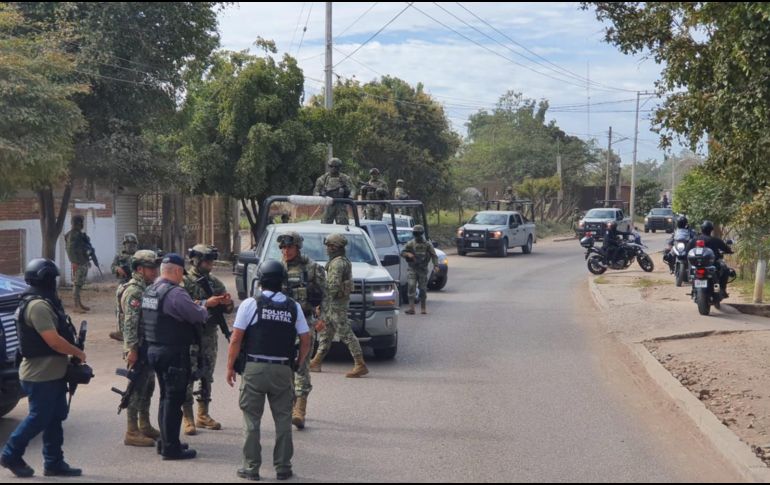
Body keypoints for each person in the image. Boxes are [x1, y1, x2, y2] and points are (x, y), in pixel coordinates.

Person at [226, 260, 311, 482]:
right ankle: (283, 467)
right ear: (282, 281)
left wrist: (229, 367)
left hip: (254, 368)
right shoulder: (293, 306)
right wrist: (297, 364)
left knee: (251, 419)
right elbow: (305, 339)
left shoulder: (250, 304)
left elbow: (236, 339)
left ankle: (250, 468)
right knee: (283, 419)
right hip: (283, 369)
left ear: (261, 280)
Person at [1, 259, 85, 478]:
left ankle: (54, 462)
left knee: (55, 416)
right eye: (52, 278)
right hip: (40, 374)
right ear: (44, 279)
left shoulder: (45, 302)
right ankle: (10, 454)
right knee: (39, 417)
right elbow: (53, 341)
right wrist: (78, 353)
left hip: (52, 372)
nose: (54, 282)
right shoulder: (37, 306)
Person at [141, 254, 218, 460]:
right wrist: (203, 306)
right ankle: (171, 448)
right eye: (181, 273)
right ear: (176, 271)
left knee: (165, 396)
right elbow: (198, 315)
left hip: (154, 350)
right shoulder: (175, 293)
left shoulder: (150, 290)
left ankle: (166, 442)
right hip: (173, 352)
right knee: (173, 400)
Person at [182, 245, 234, 436]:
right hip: (190, 336)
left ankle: (203, 414)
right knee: (188, 375)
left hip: (209, 336)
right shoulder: (184, 282)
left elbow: (227, 309)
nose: (210, 265)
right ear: (195, 260)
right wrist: (205, 303)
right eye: (206, 261)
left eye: (211, 261)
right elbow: (181, 305)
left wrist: (227, 304)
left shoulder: (215, 283)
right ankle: (187, 416)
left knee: (207, 375)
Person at [277, 232, 326, 430]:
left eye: (289, 247)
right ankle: (289, 405)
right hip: (282, 323)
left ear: (298, 247)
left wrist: (322, 318)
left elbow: (325, 295)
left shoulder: (312, 267)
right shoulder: (276, 268)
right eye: (283, 248)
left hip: (304, 322)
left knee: (302, 364)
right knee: (285, 367)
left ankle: (300, 410)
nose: (286, 251)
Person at [116, 250, 162, 447]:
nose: (155, 271)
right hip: (139, 347)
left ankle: (145, 424)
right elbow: (130, 322)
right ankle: (131, 430)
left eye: (156, 267)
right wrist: (131, 349)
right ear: (140, 269)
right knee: (136, 388)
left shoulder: (148, 287)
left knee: (148, 386)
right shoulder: (135, 290)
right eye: (151, 268)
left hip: (148, 345)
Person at [308, 234, 369, 378]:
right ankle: (316, 361)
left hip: (335, 306)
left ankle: (360, 364)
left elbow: (332, 287)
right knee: (326, 334)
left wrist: (321, 304)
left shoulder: (337, 264)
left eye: (329, 246)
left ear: (335, 247)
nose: (327, 249)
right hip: (334, 304)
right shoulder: (340, 261)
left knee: (346, 334)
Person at [686, 221, 734, 298]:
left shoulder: (695, 240)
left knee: (691, 272)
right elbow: (726, 248)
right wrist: (729, 251)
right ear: (711, 230)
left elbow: (687, 250)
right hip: (713, 264)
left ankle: (694, 290)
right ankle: (722, 290)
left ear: (701, 229)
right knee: (725, 270)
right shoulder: (715, 240)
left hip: (697, 265)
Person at [400, 225, 440, 315]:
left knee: (422, 289)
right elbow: (402, 252)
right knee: (411, 286)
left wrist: (436, 265)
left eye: (418, 233)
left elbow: (434, 255)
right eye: (415, 233)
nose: (417, 235)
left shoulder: (427, 244)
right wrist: (408, 254)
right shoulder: (411, 243)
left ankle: (423, 308)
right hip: (412, 268)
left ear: (421, 234)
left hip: (422, 269)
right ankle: (411, 308)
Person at [313, 158, 354, 224]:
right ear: (329, 167)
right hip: (327, 205)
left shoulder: (345, 178)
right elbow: (315, 192)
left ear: (339, 167)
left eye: (336, 167)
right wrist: (320, 195)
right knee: (325, 225)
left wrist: (350, 197)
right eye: (331, 166)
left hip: (341, 204)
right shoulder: (323, 178)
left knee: (343, 225)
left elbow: (353, 189)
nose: (333, 168)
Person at [64, 215, 91, 314]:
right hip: (78, 262)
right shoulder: (73, 235)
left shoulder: (79, 234)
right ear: (78, 223)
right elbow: (70, 250)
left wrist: (87, 260)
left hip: (82, 261)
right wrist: (74, 262)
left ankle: (79, 303)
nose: (82, 225)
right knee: (77, 283)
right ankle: (76, 305)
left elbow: (83, 248)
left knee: (80, 283)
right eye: (81, 223)